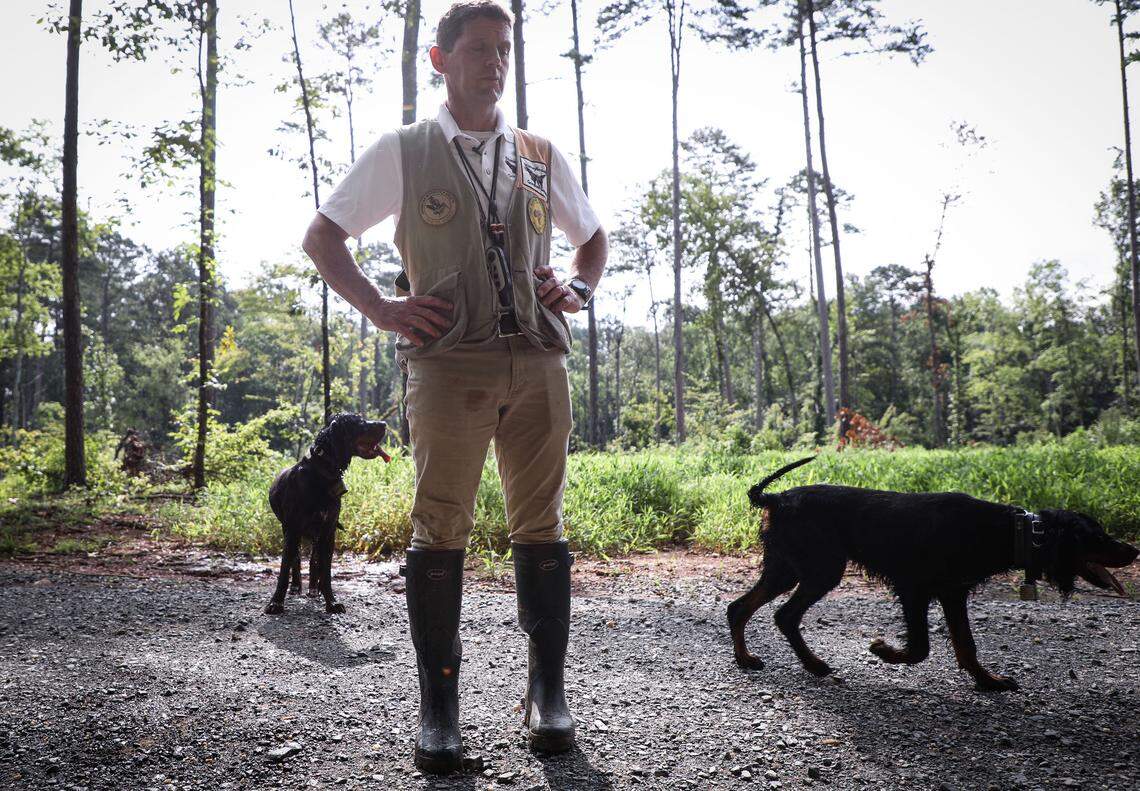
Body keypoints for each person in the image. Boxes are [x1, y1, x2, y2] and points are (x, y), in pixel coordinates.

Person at [301, 0, 607, 774]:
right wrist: (383, 307)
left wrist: (577, 284)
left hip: (539, 360)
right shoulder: (405, 150)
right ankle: (440, 711)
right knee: (440, 527)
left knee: (542, 521)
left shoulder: (537, 151)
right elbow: (322, 235)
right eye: (476, 49)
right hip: (448, 365)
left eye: (503, 49)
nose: (494, 62)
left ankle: (548, 696)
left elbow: (593, 240)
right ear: (440, 61)